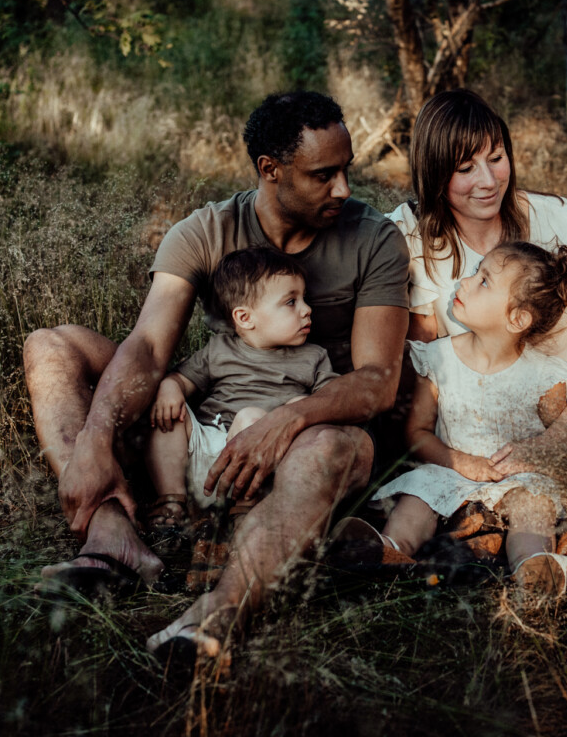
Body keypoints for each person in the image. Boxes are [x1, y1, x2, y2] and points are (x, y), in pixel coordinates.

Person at [22, 91, 409, 659]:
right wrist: (96, 436)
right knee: (51, 346)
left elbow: (377, 380)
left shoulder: (373, 239)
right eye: (323, 175)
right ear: (270, 170)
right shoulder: (204, 231)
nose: (343, 189)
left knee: (322, 449)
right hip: (207, 426)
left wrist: (289, 419)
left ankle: (216, 615)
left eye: (345, 170)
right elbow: (148, 349)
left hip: (318, 425)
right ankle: (112, 540)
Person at [388, 89, 567, 456]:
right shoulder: (409, 239)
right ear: (434, 173)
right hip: (485, 438)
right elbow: (419, 373)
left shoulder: (559, 222)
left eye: (496, 158)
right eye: (466, 169)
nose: (488, 181)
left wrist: (547, 446)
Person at [338, 242, 567, 596]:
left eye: (483, 281)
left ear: (517, 319)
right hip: (450, 472)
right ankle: (389, 548)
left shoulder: (544, 375)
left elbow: (557, 444)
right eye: (476, 272)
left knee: (532, 505)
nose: (465, 282)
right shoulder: (439, 358)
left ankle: (532, 564)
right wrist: (462, 462)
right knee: (419, 496)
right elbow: (417, 433)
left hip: (515, 478)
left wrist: (534, 459)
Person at [143, 247, 338, 537]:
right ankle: (172, 502)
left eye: (304, 299)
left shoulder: (314, 357)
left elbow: (329, 403)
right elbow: (182, 380)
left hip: (265, 464)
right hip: (209, 452)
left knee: (253, 418)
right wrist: (170, 387)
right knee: (168, 413)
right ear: (245, 318)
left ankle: (243, 511)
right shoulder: (219, 350)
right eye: (291, 302)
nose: (307, 309)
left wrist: (301, 405)